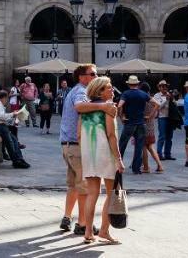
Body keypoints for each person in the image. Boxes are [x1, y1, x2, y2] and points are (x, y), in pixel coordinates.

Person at [58, 64, 118, 239]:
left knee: (73, 185)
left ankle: (67, 217)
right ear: (81, 77)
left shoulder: (75, 90)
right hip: (78, 147)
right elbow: (79, 106)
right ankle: (83, 225)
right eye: (92, 73)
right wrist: (104, 107)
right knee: (86, 188)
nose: (96, 75)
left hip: (67, 144)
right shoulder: (82, 91)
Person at [78, 75, 123, 245]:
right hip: (105, 154)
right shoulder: (109, 108)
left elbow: (79, 134)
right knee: (111, 194)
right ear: (100, 91)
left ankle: (88, 232)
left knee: (92, 193)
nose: (112, 90)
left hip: (89, 155)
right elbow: (112, 136)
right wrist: (118, 159)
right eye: (109, 87)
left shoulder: (86, 110)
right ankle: (104, 231)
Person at [0, 89, 30, 168]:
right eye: (7, 99)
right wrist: (13, 114)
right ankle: (17, 161)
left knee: (13, 139)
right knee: (10, 142)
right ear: (4, 97)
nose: (6, 101)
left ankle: (19, 159)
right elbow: (1, 116)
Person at [116, 75, 150, 174]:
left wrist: (121, 116)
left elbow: (119, 105)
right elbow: (156, 104)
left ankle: (119, 166)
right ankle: (136, 169)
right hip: (141, 123)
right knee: (139, 147)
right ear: (137, 84)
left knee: (122, 145)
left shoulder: (126, 94)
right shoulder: (143, 94)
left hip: (129, 123)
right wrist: (149, 116)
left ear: (128, 84)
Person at [141, 89, 165, 173]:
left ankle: (146, 167)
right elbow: (157, 111)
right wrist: (151, 116)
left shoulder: (143, 100)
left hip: (143, 124)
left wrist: (148, 116)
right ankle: (159, 165)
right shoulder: (152, 100)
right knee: (150, 147)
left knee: (143, 146)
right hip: (151, 125)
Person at [153, 80, 174, 160]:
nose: (165, 87)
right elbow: (158, 106)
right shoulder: (157, 96)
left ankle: (167, 154)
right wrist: (166, 100)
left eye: (166, 86)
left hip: (170, 117)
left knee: (169, 137)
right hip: (162, 118)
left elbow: (174, 105)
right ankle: (159, 154)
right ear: (159, 87)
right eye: (163, 86)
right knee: (162, 136)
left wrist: (172, 99)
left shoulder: (169, 94)